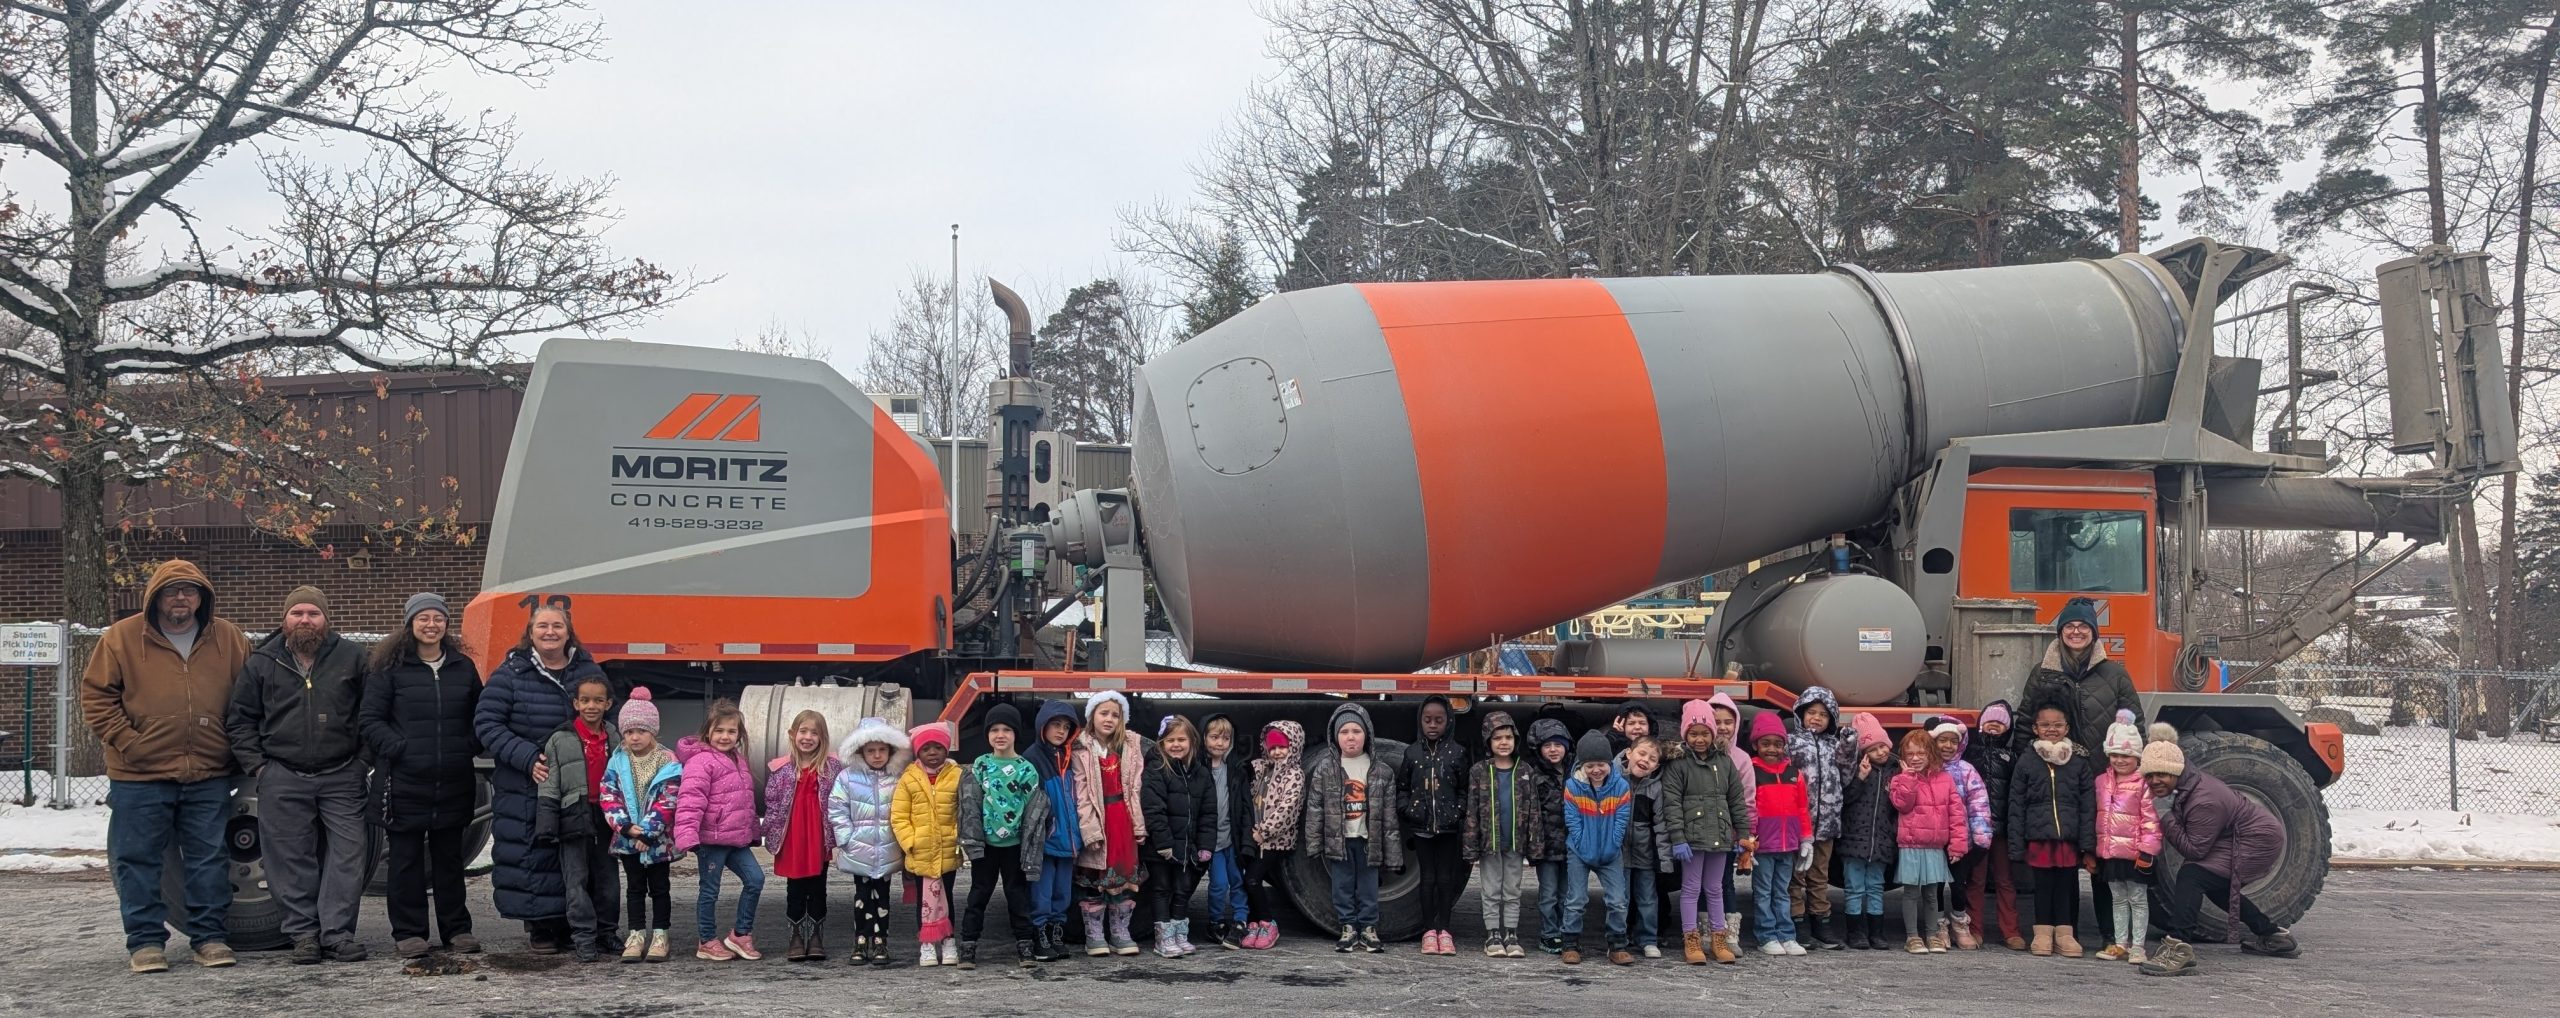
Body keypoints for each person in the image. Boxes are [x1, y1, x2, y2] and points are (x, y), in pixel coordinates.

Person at [83, 559, 253, 974]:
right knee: (138, 858)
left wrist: (233, 747)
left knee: (209, 858)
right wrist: (130, 743)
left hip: (208, 772)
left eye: (190, 591)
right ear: (156, 596)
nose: (181, 598)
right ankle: (144, 942)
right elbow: (97, 697)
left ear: (202, 598)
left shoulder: (229, 638)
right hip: (139, 773)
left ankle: (209, 938)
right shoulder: (121, 638)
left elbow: (249, 697)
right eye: (172, 590)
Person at [226, 585, 371, 964]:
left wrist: (361, 762)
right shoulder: (262, 662)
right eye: (297, 613)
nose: (305, 620)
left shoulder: (352, 658)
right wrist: (259, 766)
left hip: (342, 775)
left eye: (313, 613)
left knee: (347, 856)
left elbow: (371, 715)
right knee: (290, 859)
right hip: (283, 774)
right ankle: (304, 935)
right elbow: (241, 719)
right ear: (284, 619)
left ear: (326, 619)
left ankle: (337, 934)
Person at [357, 592, 484, 960]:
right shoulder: (388, 669)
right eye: (423, 618)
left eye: (438, 618)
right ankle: (410, 932)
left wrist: (467, 747)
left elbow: (481, 715)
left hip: (454, 779)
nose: (431, 625)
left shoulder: (463, 667)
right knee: (406, 860)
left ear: (447, 625)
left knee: (450, 860)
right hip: (403, 781)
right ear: (410, 624)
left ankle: (457, 930)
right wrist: (400, 749)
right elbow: (370, 720)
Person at [474, 603, 607, 953]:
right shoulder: (511, 673)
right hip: (527, 780)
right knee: (535, 851)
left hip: (577, 784)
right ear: (530, 633)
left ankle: (576, 924)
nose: (550, 632)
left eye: (557, 626)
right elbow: (487, 724)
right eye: (542, 626)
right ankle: (542, 928)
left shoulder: (588, 670)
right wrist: (527, 757)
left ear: (568, 632)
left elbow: (608, 717)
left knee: (578, 854)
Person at [2139, 723, 2300, 977]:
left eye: (2162, 774)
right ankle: (2272, 935)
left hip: (2258, 838)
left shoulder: (2203, 800)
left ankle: (2179, 949)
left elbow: (2194, 850)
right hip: (2237, 834)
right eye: (2149, 775)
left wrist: (2165, 815)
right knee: (2215, 885)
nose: (2154, 781)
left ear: (2176, 771)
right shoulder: (2183, 786)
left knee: (2192, 875)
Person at [533, 673, 620, 962]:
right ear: (575, 703)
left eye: (598, 700)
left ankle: (607, 933)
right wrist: (547, 822)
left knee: (608, 879)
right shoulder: (560, 739)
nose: (591, 706)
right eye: (585, 700)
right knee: (576, 880)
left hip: (607, 818)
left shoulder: (615, 736)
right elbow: (549, 782)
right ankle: (583, 937)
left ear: (608, 703)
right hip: (572, 816)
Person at [1663, 698, 1752, 965]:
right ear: (1685, 734)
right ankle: (1691, 938)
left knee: (1714, 888)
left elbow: (1737, 799)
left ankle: (1718, 937)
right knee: (1690, 889)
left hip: (1721, 836)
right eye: (1694, 733)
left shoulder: (1725, 763)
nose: (1699, 739)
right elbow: (1672, 804)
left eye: (1705, 733)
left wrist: (1743, 833)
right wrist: (1678, 838)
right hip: (1692, 839)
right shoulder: (1678, 765)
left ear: (1713, 734)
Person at [1306, 701, 1400, 953]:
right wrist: (1314, 843)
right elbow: (1315, 809)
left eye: (1356, 731)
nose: (1350, 737)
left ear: (1366, 733)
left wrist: (1392, 852)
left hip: (1369, 840)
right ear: (1335, 736)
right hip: (1340, 840)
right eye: (1344, 732)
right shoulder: (1325, 769)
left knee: (1369, 886)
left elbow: (1390, 818)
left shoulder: (1381, 770)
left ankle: (1369, 928)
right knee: (1342, 885)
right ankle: (1347, 927)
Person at [675, 700, 764, 961]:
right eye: (719, 731)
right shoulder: (701, 761)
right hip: (710, 841)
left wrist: (753, 831)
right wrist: (688, 836)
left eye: (731, 731)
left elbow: (745, 802)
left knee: (756, 880)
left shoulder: (738, 760)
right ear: (708, 732)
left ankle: (740, 934)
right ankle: (707, 940)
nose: (725, 736)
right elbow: (690, 800)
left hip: (736, 840)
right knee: (710, 891)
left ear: (739, 734)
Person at [598, 687, 680, 963]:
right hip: (627, 839)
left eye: (641, 731)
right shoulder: (618, 761)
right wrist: (625, 827)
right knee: (634, 888)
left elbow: (668, 799)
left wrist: (648, 832)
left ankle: (660, 934)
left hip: (657, 840)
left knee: (659, 888)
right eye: (629, 731)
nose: (635, 737)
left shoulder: (667, 761)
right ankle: (635, 934)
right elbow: (609, 795)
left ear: (653, 731)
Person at [2010, 703, 2097, 958]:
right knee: (2043, 886)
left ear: (2067, 728)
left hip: (2068, 838)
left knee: (2067, 886)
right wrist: (2016, 846)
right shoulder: (2027, 761)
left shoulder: (2078, 762)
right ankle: (2042, 934)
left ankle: (2065, 935)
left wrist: (2087, 843)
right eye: (2045, 725)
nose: (2052, 729)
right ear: (2035, 729)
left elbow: (2088, 805)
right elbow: (2016, 804)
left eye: (2057, 725)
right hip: (2039, 837)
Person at [958, 703, 1041, 967]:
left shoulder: (1025, 769)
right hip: (986, 846)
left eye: (1007, 729)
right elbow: (970, 803)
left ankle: (1025, 945)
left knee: (1017, 895)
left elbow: (1033, 810)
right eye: (994, 729)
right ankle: (968, 946)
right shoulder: (980, 766)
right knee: (978, 894)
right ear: (988, 734)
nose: (1000, 735)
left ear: (1016, 734)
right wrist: (970, 839)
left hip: (1015, 846)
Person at [828, 715, 909, 966]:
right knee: (862, 894)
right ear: (860, 751)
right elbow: (837, 807)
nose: (876, 755)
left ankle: (880, 940)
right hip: (859, 847)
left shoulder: (898, 777)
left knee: (882, 896)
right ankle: (860, 939)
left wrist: (901, 839)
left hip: (887, 847)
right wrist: (846, 838)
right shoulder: (847, 777)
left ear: (890, 751)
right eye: (870, 750)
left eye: (882, 750)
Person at [760, 710, 840, 962]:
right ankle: (795, 934)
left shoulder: (832, 767)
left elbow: (839, 802)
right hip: (792, 835)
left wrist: (838, 837)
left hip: (818, 835)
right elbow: (771, 804)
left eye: (814, 733)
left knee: (818, 886)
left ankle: (816, 934)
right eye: (803, 732)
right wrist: (769, 834)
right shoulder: (781, 769)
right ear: (792, 735)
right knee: (795, 887)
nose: (807, 737)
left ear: (822, 737)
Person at [1073, 692, 1148, 956]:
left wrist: (1138, 825)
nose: (1109, 719)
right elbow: (1081, 794)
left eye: (1115, 715)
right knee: (1094, 877)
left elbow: (1135, 788)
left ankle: (1120, 933)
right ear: (1092, 716)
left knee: (1122, 878)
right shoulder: (1081, 749)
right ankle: (1094, 935)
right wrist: (1090, 829)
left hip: (1122, 819)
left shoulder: (1129, 747)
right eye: (1103, 713)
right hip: (1097, 817)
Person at [1398, 695, 1470, 956]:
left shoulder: (1458, 753)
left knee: (1446, 879)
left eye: (1438, 720)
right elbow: (1403, 786)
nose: (1432, 725)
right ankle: (1429, 931)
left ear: (1448, 721)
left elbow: (1464, 788)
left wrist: (1458, 812)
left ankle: (1445, 930)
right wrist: (1407, 810)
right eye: (1427, 720)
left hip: (1449, 828)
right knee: (1426, 879)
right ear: (1420, 721)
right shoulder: (1412, 752)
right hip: (1421, 828)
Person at [1463, 710, 1539, 958]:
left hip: (1515, 843)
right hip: (1489, 843)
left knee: (1513, 889)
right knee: (1491, 889)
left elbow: (1533, 809)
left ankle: (1511, 933)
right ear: (1488, 742)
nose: (1503, 742)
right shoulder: (1479, 771)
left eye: (1508, 737)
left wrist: (1534, 844)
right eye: (1497, 738)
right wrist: (1471, 845)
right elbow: (1472, 811)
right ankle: (1492, 934)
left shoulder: (1525, 771)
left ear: (1515, 740)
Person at [1786, 686, 1857, 950]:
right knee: (1796, 876)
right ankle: (1796, 920)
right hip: (1797, 823)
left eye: (1823, 715)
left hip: (1826, 823)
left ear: (1832, 720)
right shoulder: (1791, 743)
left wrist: (1849, 747)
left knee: (1819, 876)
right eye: (1811, 713)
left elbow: (1846, 776)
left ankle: (1821, 921)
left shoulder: (1833, 746)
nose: (1816, 718)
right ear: (1801, 714)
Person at [1140, 715, 1216, 958]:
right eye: (1170, 740)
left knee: (1183, 889)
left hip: (1189, 846)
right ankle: (1163, 938)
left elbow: (1208, 813)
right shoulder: (1156, 769)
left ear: (1192, 741)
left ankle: (1179, 934)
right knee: (1162, 888)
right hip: (1161, 847)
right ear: (1161, 743)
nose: (1176, 744)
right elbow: (1153, 809)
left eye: (1181, 739)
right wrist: (1164, 844)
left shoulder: (1202, 774)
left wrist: (1205, 846)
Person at [1889, 729, 1968, 954]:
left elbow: (1956, 814)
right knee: (1911, 893)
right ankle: (1912, 937)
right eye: (1910, 753)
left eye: (1921, 753)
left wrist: (1958, 844)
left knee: (1933, 893)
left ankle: (1933, 934)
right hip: (1911, 845)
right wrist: (1909, 779)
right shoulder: (1899, 779)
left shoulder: (1945, 779)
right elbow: (1902, 805)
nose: (1915, 758)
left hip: (1935, 846)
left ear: (1931, 753)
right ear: (1903, 756)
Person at [1559, 731, 1634, 966]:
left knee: (1618, 900)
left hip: (1611, 853)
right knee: (1576, 899)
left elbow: (1622, 821)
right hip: (1580, 851)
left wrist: (1612, 846)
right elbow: (1572, 821)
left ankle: (1617, 944)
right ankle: (1570, 943)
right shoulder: (1572, 786)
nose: (1596, 770)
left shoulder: (1621, 787)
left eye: (1601, 764)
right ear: (1582, 765)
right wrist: (1583, 846)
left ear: (1609, 763)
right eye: (1590, 765)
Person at [2092, 710, 2161, 964]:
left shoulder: (2143, 784)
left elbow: (2151, 820)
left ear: (2137, 757)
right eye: (2115, 755)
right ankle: (2120, 943)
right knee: (2118, 899)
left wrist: (2147, 851)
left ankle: (2138, 946)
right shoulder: (2100, 782)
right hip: (2111, 853)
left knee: (2138, 900)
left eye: (2126, 755)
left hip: (2136, 855)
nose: (2120, 760)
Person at [895, 720, 965, 967]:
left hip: (948, 850)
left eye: (937, 747)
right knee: (924, 901)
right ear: (918, 752)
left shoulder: (957, 776)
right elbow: (899, 815)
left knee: (947, 897)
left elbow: (964, 810)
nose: (932, 753)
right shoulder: (909, 778)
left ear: (946, 750)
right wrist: (910, 841)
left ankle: (948, 941)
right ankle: (926, 943)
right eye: (926, 748)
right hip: (920, 851)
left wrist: (958, 836)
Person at [1744, 710, 1810, 955]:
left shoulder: (1794, 774)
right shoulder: (1752, 770)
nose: (1772, 749)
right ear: (1755, 744)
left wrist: (1806, 839)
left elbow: (1803, 808)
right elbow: (1748, 805)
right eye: (1765, 743)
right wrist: (1748, 838)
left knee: (1782, 891)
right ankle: (1766, 935)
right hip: (1763, 846)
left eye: (1777, 744)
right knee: (1762, 892)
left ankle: (1787, 934)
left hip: (1789, 845)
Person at [1959, 700, 2022, 949]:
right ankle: (1974, 928)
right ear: (1981, 726)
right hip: (1977, 827)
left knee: (2005, 880)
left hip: (2002, 827)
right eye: (1989, 722)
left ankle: (2011, 931)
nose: (1994, 727)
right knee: (1975, 880)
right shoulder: (1970, 753)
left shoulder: (2011, 757)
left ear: (2007, 729)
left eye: (2000, 723)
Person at [1022, 701, 1081, 960]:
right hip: (1046, 839)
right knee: (1041, 890)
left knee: (1063, 892)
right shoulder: (1032, 758)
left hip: (1068, 840)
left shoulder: (1068, 757)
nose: (1061, 731)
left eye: (1066, 727)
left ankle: (1056, 932)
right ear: (1042, 725)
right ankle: (1040, 934)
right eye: (1055, 725)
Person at [1835, 712, 1899, 950]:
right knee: (1854, 888)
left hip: (1881, 841)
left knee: (1875, 887)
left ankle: (1877, 933)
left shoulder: (1895, 771)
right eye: (1873, 749)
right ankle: (1855, 932)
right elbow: (1846, 799)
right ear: (1864, 753)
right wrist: (1860, 778)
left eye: (1883, 746)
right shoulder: (1857, 771)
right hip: (1854, 841)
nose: (1880, 752)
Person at [1240, 719, 1306, 950]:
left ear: (1294, 746)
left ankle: (1269, 923)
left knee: (1253, 879)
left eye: (1282, 747)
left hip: (1275, 841)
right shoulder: (1261, 769)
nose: (1277, 752)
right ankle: (1254, 923)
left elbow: (1287, 809)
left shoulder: (1294, 775)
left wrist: (1264, 832)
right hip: (1255, 837)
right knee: (1247, 879)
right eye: (1273, 747)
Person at [1931, 718, 1995, 947]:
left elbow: (1979, 805)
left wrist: (1981, 838)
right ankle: (1937, 926)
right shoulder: (1927, 769)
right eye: (1942, 740)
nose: (1947, 746)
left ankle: (1960, 923)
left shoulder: (1967, 771)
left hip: (1961, 842)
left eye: (1952, 741)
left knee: (1958, 885)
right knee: (1934, 885)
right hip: (1933, 841)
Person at [1199, 713, 1254, 950]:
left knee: (1238, 881)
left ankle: (1241, 920)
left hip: (1233, 838)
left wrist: (1247, 839)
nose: (1219, 743)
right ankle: (1216, 921)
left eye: (1225, 738)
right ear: (1203, 738)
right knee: (1218, 884)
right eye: (1214, 737)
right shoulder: (1198, 770)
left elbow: (1245, 807)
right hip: (1213, 842)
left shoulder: (1237, 770)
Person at [1618, 737, 1671, 959]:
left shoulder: (1656, 788)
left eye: (1652, 759)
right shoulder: (1616, 781)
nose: (1645, 760)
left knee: (1648, 899)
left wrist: (1665, 859)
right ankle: (1618, 938)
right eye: (1641, 754)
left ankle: (1648, 939)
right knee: (1620, 898)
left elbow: (1661, 825)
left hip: (1645, 854)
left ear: (1656, 766)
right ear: (1628, 754)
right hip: (1618, 853)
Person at [1525, 716, 1574, 955]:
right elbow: (1531, 814)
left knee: (1568, 894)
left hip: (1570, 846)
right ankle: (1549, 934)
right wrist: (1533, 847)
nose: (1553, 750)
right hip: (1545, 848)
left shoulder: (1575, 773)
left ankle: (1568, 933)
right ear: (1538, 749)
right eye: (1547, 745)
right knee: (1548, 895)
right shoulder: (1535, 776)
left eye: (1557, 744)